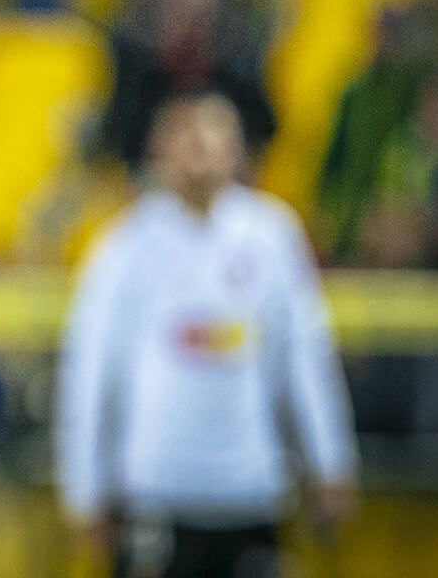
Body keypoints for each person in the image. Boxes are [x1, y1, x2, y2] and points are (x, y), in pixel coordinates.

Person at [58, 93, 357, 578]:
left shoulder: (271, 235)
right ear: (158, 149)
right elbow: (90, 372)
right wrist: (84, 488)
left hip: (249, 489)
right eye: (184, 132)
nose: (198, 144)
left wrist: (331, 461)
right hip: (156, 488)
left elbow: (306, 356)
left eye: (213, 130)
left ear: (238, 148)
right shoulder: (124, 246)